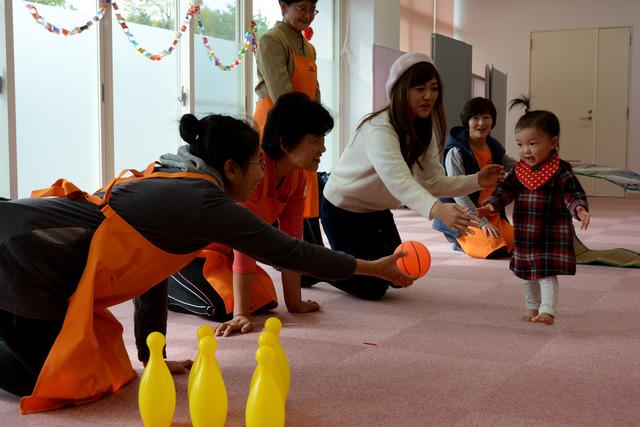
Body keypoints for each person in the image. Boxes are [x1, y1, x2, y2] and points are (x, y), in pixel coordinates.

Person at [0, 113, 415, 414]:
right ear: (231, 168)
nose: (259, 175)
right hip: (27, 256)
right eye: (255, 165)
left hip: (40, 256)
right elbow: (290, 252)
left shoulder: (185, 182)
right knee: (61, 385)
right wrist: (371, 268)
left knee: (103, 369)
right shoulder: (203, 199)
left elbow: (150, 271)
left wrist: (152, 354)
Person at [320, 52, 506, 301]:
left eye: (433, 88)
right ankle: (315, 267)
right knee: (372, 289)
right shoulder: (379, 129)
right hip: (342, 211)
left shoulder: (423, 128)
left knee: (398, 275)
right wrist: (438, 210)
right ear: (400, 90)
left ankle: (342, 263)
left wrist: (476, 180)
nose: (428, 96)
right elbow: (399, 181)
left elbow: (433, 181)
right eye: (419, 89)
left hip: (376, 211)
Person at [168, 92, 333, 336]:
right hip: (192, 254)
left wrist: (294, 303)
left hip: (224, 256)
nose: (323, 148)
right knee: (225, 305)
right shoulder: (253, 170)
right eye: (315, 140)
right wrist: (240, 314)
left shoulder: (297, 177)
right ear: (286, 143)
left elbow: (292, 242)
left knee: (265, 298)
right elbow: (244, 242)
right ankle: (165, 285)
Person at [479, 96, 590, 325]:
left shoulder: (560, 169)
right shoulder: (519, 170)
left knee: (547, 272)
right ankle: (531, 307)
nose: (525, 150)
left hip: (551, 233)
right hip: (526, 233)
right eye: (520, 144)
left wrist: (579, 208)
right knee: (527, 273)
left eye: (533, 143)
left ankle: (547, 310)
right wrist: (492, 204)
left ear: (553, 142)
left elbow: (571, 192)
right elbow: (505, 190)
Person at [254, 0, 326, 263]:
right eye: (302, 9)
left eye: (312, 10)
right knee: (271, 186)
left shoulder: (309, 48)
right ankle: (284, 251)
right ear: (283, 6)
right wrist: (305, 130)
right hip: (278, 122)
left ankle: (302, 251)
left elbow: (315, 93)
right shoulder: (271, 40)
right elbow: (282, 94)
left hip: (303, 124)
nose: (307, 16)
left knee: (304, 188)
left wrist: (317, 131)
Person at [432, 97, 517, 258]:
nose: (481, 123)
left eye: (486, 117)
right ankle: (456, 239)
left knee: (515, 245)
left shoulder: (495, 147)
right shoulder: (456, 152)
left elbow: (517, 167)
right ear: (467, 121)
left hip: (490, 212)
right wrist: (482, 222)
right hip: (463, 216)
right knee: (494, 249)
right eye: (475, 118)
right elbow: (458, 192)